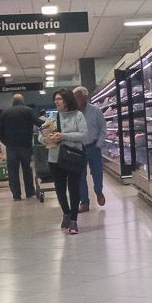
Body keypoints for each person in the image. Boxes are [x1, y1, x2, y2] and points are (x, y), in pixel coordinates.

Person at [40, 87, 90, 234]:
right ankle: (66, 213)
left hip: (73, 157)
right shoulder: (52, 118)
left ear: (67, 99)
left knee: (74, 188)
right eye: (55, 99)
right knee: (60, 189)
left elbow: (83, 134)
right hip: (55, 158)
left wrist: (63, 136)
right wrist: (46, 138)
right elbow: (40, 135)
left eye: (59, 99)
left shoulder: (78, 116)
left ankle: (74, 220)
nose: (56, 102)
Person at [0, 93, 41, 201]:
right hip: (25, 145)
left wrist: (5, 141)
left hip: (11, 147)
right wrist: (52, 125)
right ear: (22, 100)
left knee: (13, 171)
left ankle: (16, 195)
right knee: (27, 170)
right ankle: (29, 192)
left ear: (13, 101)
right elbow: (39, 123)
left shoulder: (5, 112)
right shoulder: (28, 111)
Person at [73, 86, 106, 212]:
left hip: (93, 146)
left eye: (77, 97)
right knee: (80, 176)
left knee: (97, 173)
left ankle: (98, 191)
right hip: (79, 148)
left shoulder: (96, 111)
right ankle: (84, 202)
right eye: (74, 98)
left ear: (85, 98)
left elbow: (103, 128)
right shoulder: (72, 113)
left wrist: (99, 144)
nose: (75, 100)